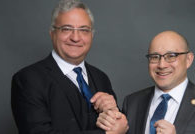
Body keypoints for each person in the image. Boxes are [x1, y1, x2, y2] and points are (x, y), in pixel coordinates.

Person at [11, 0, 127, 133]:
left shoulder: (101, 78)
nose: (76, 38)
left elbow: (121, 128)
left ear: (92, 35)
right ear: (52, 33)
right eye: (66, 29)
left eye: (84, 30)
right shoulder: (28, 79)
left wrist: (113, 112)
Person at [97, 31, 195, 134]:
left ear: (188, 59)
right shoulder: (132, 102)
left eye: (171, 56)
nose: (162, 65)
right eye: (155, 57)